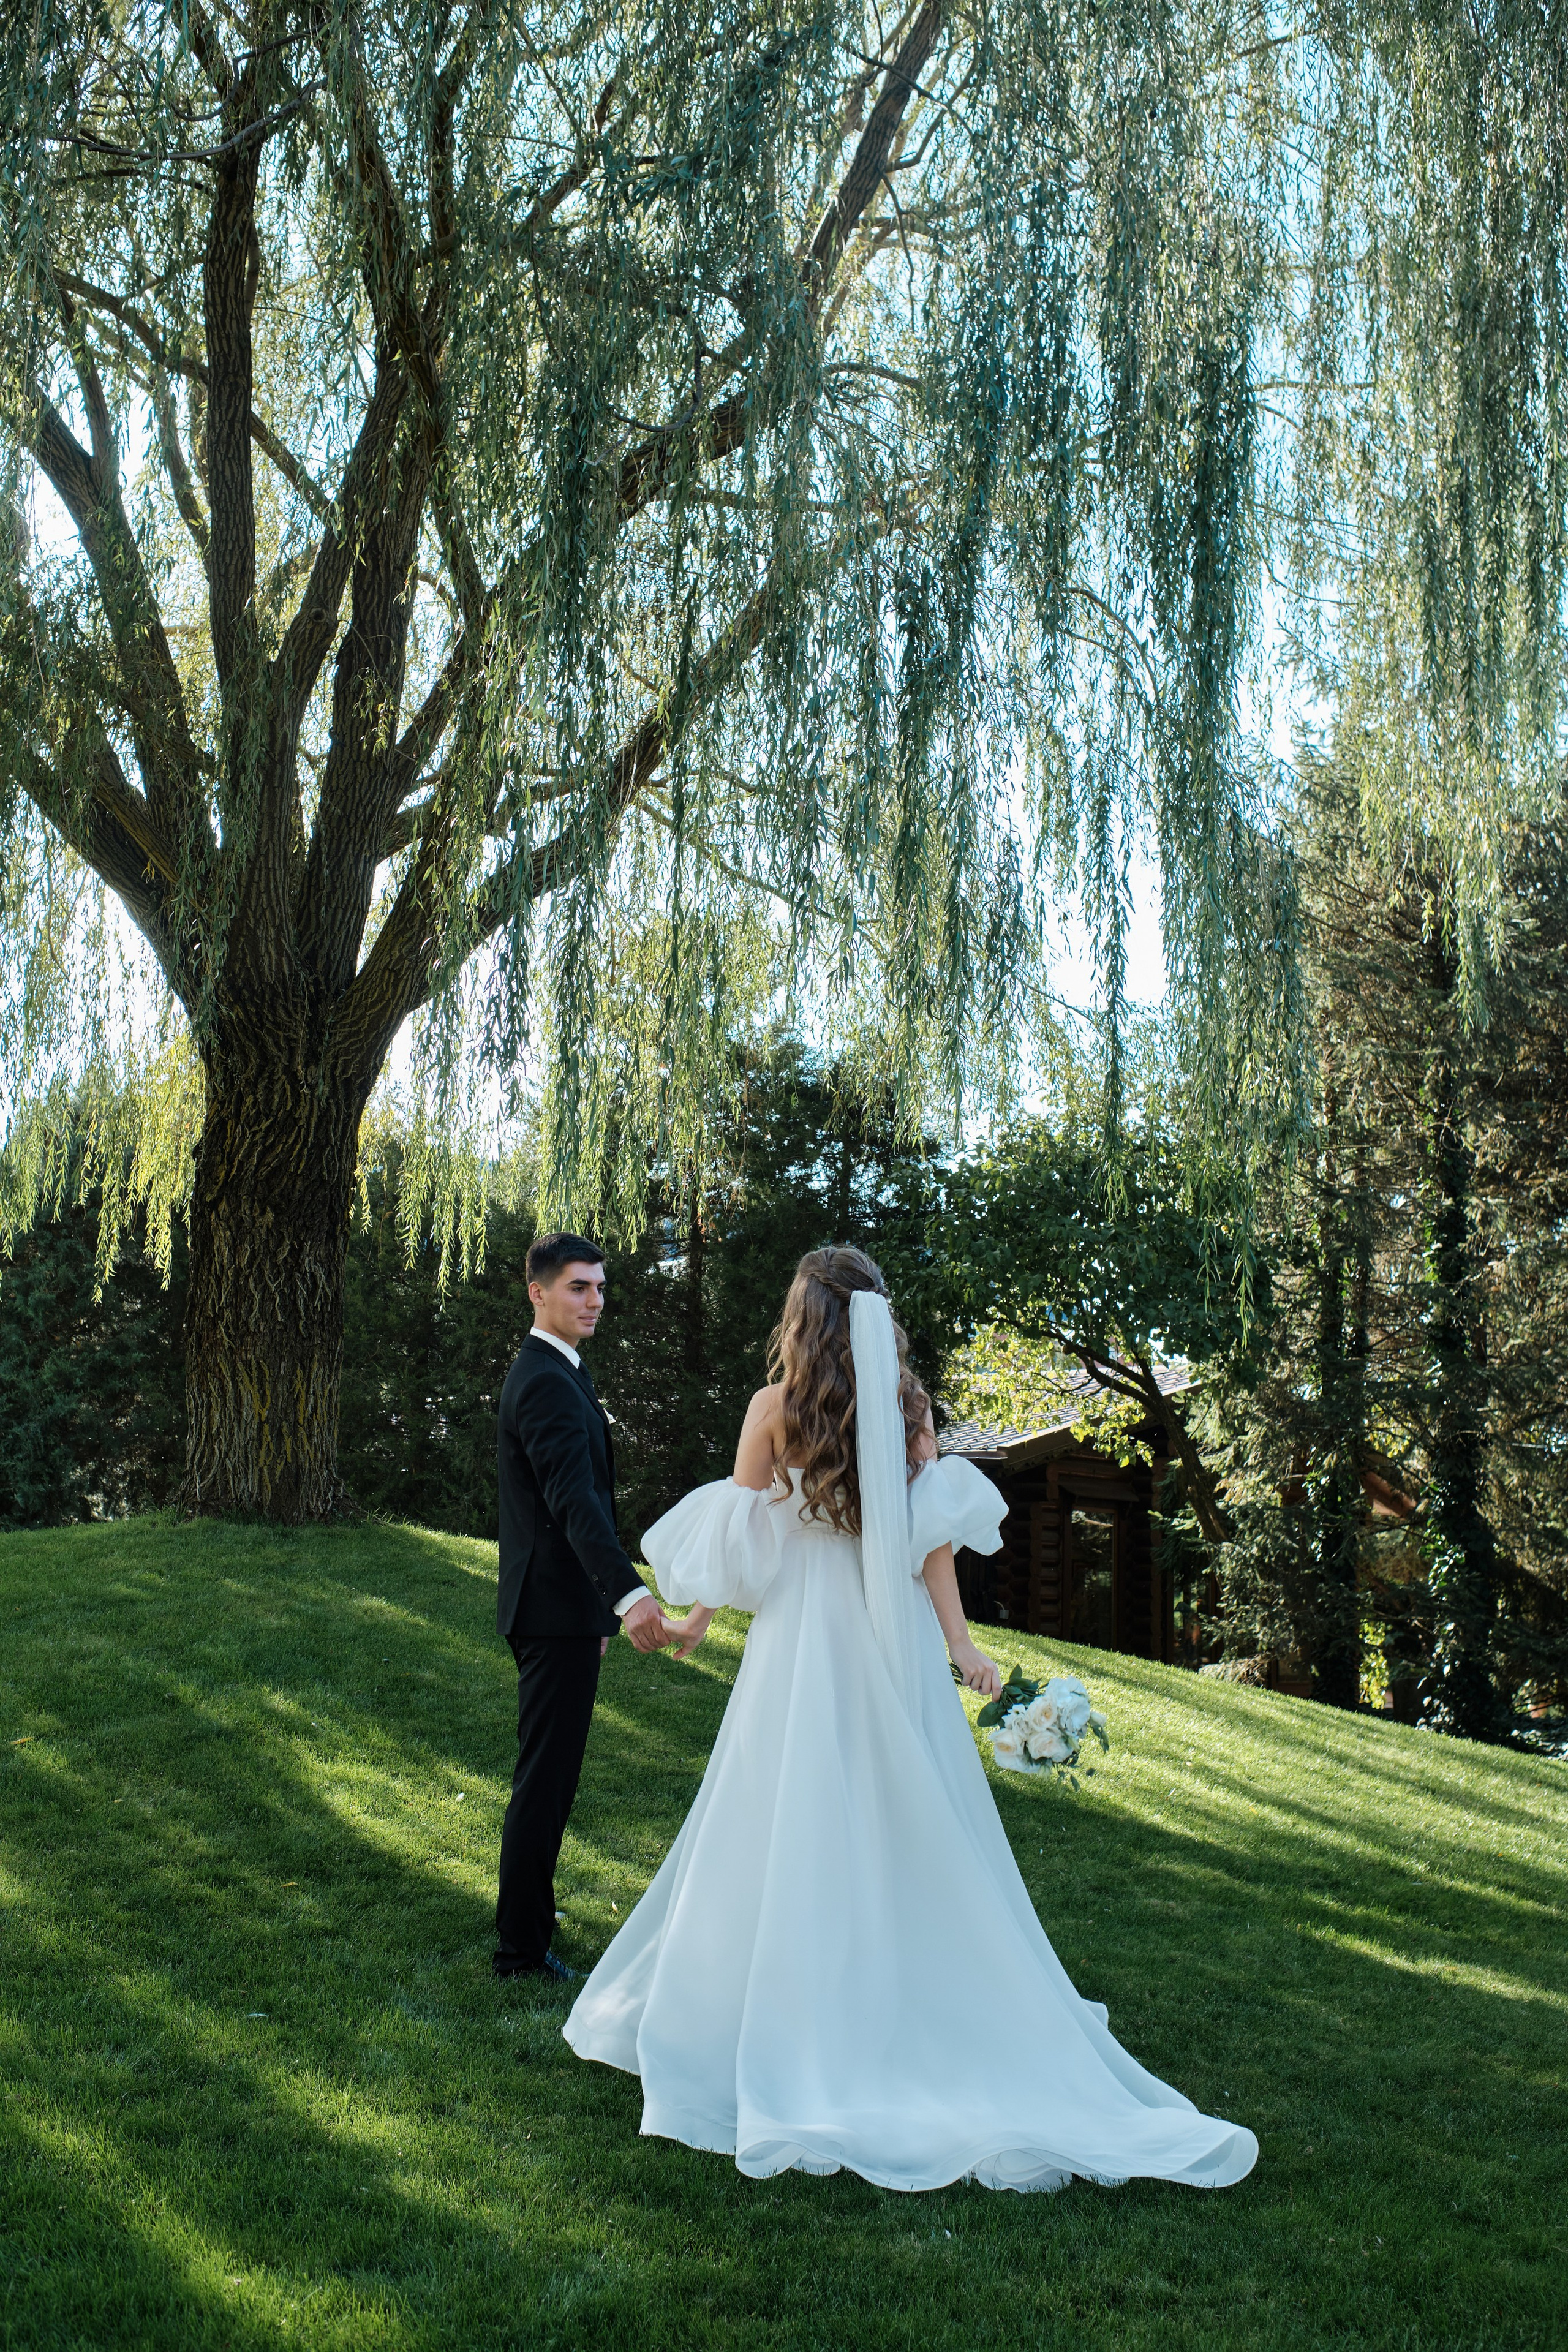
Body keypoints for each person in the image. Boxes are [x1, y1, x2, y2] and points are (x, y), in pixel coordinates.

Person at [564, 1245, 1258, 2193]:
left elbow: (743, 1538)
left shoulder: (775, 1410)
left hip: (803, 1637)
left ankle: (792, 2012)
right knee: (897, 1813)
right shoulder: (905, 1407)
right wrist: (959, 1645)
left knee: (787, 1812)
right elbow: (930, 1545)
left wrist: (697, 1618)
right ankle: (892, 1996)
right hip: (886, 1633)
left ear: (803, 1315)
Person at [493, 1232, 673, 1981]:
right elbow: (574, 1506)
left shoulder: (561, 1369)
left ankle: (526, 1927)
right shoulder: (544, 1380)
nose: (595, 1300)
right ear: (537, 1292)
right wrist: (627, 1598)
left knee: (550, 1779)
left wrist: (594, 1613)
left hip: (562, 1610)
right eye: (578, 1287)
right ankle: (520, 1952)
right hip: (551, 1612)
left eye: (600, 1287)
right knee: (545, 1782)